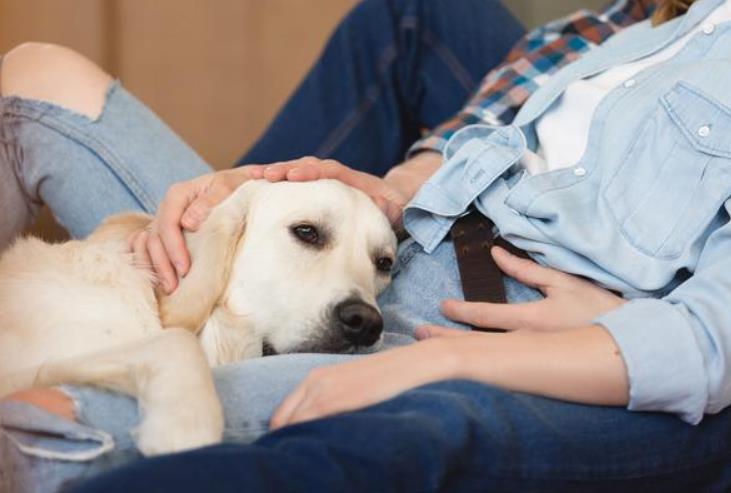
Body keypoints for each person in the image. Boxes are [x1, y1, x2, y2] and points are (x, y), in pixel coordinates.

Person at [6, 0, 731, 492]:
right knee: (35, 80)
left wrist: (446, 355)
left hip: (465, 325)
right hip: (398, 238)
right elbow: (492, 152)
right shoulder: (650, 31)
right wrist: (282, 194)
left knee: (47, 418)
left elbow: (703, 343)